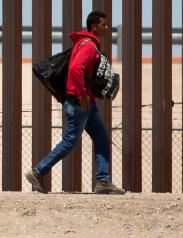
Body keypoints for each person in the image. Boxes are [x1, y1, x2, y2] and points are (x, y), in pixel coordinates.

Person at [25, 11, 125, 195]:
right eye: (103, 24)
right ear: (94, 26)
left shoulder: (85, 43)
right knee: (71, 140)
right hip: (80, 101)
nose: (106, 27)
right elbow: (75, 69)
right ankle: (37, 172)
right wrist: (82, 96)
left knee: (102, 139)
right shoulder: (88, 46)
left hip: (86, 102)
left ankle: (103, 181)